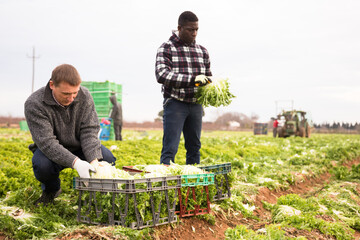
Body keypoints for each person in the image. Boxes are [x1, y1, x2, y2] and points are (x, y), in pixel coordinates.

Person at [24, 64, 116, 206]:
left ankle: (91, 194)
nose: (71, 98)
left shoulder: (84, 96)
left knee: (107, 159)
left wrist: (93, 160)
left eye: (75, 93)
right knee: (42, 166)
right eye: (66, 94)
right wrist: (76, 163)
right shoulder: (35, 103)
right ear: (52, 85)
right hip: (51, 150)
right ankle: (51, 190)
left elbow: (89, 130)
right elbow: (47, 142)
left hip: (79, 146)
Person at [155, 11, 212, 165]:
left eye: (196, 29)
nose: (194, 33)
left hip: (196, 105)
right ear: (179, 28)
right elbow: (162, 75)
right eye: (190, 29)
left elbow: (208, 77)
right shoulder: (166, 48)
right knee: (170, 147)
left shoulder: (202, 51)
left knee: (194, 147)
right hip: (175, 103)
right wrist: (193, 80)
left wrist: (210, 85)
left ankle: (194, 184)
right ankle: (166, 183)